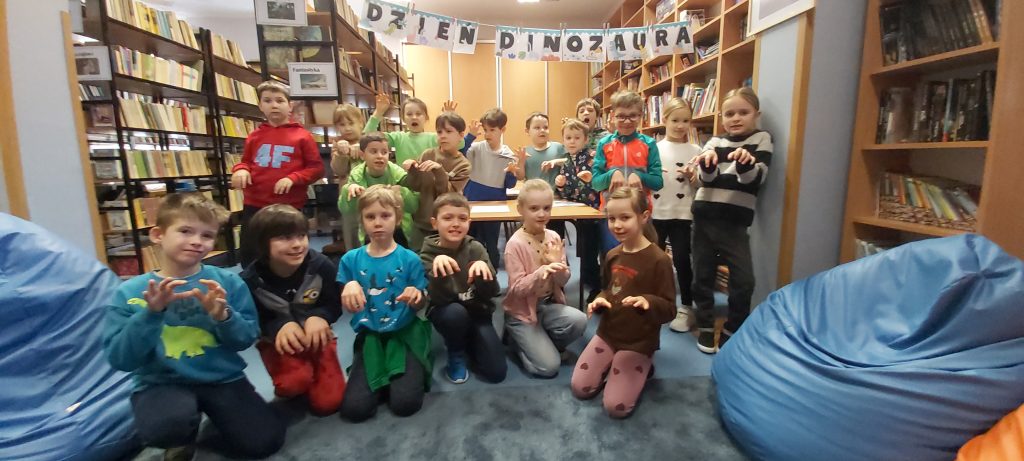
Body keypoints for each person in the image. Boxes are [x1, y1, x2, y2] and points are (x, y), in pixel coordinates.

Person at [103, 193, 284, 460]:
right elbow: (121, 359)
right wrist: (151, 314)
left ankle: (218, 418)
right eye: (185, 231)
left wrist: (224, 317)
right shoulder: (130, 292)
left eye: (207, 235)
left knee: (264, 442)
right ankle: (182, 434)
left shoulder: (228, 283)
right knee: (164, 428)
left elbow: (246, 339)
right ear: (158, 235)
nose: (197, 241)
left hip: (221, 377)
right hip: (162, 382)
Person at [571, 187, 676, 418]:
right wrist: (599, 300)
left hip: (638, 341)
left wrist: (647, 301)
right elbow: (609, 290)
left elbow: (670, 309)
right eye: (611, 219)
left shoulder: (659, 261)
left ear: (644, 216)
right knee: (580, 388)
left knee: (615, 407)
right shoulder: (612, 255)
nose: (617, 225)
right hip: (608, 333)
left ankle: (644, 363)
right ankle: (615, 364)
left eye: (625, 217)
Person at [240, 204, 345, 416]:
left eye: (301, 236)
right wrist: (278, 326)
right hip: (280, 343)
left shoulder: (321, 266)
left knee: (329, 403)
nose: (297, 245)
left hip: (318, 338)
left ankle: (316, 371)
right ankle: (294, 375)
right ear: (262, 243)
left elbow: (335, 303)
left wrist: (320, 316)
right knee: (293, 384)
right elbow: (253, 319)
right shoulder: (251, 280)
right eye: (285, 238)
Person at [337, 185, 431, 422]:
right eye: (370, 217)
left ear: (397, 219)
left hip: (404, 334)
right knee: (355, 410)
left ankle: (402, 373)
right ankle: (381, 376)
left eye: (385, 215)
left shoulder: (410, 259)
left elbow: (421, 304)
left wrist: (416, 295)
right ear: (362, 221)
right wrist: (347, 286)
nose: (378, 223)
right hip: (370, 337)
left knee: (406, 404)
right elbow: (349, 305)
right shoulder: (350, 260)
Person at [690, 87, 773, 354]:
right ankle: (705, 325)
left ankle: (732, 328)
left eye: (743, 112)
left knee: (744, 280)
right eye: (729, 114)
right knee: (702, 275)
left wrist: (746, 164)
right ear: (721, 117)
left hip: (735, 223)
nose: (735, 118)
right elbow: (705, 180)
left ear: (756, 114)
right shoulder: (714, 142)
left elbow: (755, 179)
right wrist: (707, 165)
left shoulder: (762, 139)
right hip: (704, 218)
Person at [231, 80, 324, 268]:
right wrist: (240, 169)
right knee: (251, 252)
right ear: (260, 106)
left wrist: (293, 178)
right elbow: (246, 161)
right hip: (255, 203)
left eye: (280, 101)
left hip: (288, 205)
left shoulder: (302, 136)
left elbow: (316, 169)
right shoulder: (254, 136)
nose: (274, 105)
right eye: (268, 101)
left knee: (289, 250)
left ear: (290, 106)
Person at [502, 180, 587, 378]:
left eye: (546, 208)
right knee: (549, 368)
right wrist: (542, 271)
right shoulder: (515, 245)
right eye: (534, 208)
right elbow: (517, 290)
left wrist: (557, 265)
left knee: (579, 320)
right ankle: (519, 343)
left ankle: (541, 342)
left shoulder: (553, 237)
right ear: (520, 209)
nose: (542, 214)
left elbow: (563, 281)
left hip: (547, 305)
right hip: (522, 312)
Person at [420, 193, 506, 384]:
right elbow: (438, 299)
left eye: (462, 218)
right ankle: (455, 350)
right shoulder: (427, 254)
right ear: (434, 223)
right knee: (455, 314)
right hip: (447, 312)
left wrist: (485, 274)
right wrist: (439, 273)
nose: (456, 224)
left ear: (469, 222)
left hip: (477, 311)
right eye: (447, 218)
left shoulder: (475, 248)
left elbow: (492, 293)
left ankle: (470, 339)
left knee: (496, 372)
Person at [652, 98, 701, 333]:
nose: (680, 126)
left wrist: (693, 177)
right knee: (653, 259)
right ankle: (652, 299)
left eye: (685, 121)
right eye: (675, 120)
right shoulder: (654, 148)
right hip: (656, 212)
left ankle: (687, 307)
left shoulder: (696, 151)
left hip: (682, 213)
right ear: (665, 120)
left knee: (682, 259)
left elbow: (700, 184)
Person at [591, 90, 663, 252]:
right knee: (612, 256)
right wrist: (611, 174)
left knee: (642, 256)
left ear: (641, 116)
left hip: (640, 214)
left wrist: (639, 176)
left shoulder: (649, 144)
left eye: (633, 116)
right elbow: (595, 183)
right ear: (612, 116)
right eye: (621, 116)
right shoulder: (604, 144)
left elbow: (658, 182)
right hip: (611, 214)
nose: (627, 121)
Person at [400, 112, 471, 252]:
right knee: (418, 258)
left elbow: (447, 195)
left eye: (448, 131)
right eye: (439, 132)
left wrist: (439, 171)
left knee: (443, 260)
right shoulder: (428, 154)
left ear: (461, 135)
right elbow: (415, 186)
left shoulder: (463, 165)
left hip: (446, 226)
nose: (443, 136)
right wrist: (412, 169)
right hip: (421, 222)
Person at [338, 132, 419, 248]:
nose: (380, 156)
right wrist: (349, 190)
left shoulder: (400, 176)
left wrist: (402, 192)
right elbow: (345, 210)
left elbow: (414, 206)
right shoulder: (356, 177)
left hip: (398, 230)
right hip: (370, 231)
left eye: (384, 152)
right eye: (373, 151)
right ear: (362, 155)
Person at [554, 119, 602, 304]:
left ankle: (596, 287)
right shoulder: (567, 162)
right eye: (568, 138)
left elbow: (601, 186)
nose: (572, 141)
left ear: (585, 139)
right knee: (561, 236)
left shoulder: (593, 158)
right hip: (574, 210)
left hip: (592, 212)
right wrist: (561, 186)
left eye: (576, 138)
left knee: (589, 252)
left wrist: (591, 181)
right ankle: (558, 283)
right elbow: (567, 194)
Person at [463, 108, 518, 268]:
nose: (487, 134)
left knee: (491, 243)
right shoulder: (476, 148)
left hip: (495, 205)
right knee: (472, 242)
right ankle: (472, 275)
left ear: (502, 130)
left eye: (492, 130)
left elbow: (510, 185)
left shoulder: (508, 154)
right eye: (485, 130)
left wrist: (511, 173)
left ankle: (492, 274)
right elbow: (459, 152)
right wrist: (470, 136)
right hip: (473, 201)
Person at [364, 93, 474, 166]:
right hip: (405, 186)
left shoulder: (435, 137)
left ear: (426, 117)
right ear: (403, 118)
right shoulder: (397, 137)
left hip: (430, 185)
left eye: (418, 114)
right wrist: (378, 113)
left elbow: (460, 144)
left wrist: (448, 120)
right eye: (409, 114)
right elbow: (367, 137)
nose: (414, 117)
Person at [517, 112, 568, 238]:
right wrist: (521, 161)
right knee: (533, 235)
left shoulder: (558, 147)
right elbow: (520, 176)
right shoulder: (526, 151)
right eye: (537, 127)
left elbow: (571, 161)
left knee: (555, 235)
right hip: (533, 203)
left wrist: (556, 161)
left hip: (554, 201)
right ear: (527, 131)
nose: (542, 130)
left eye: (545, 127)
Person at [327, 103, 367, 254]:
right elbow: (338, 170)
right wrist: (341, 154)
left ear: (361, 123)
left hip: (370, 195)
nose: (347, 128)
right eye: (342, 124)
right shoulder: (337, 145)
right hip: (349, 200)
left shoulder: (369, 140)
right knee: (352, 236)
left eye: (351, 123)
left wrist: (363, 149)